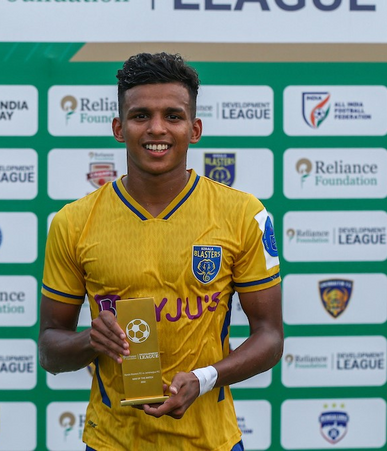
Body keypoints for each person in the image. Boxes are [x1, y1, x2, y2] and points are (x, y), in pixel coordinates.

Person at [39, 52, 283, 451]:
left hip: (212, 442)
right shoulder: (74, 222)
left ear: (195, 128)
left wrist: (204, 378)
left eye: (173, 116)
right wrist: (91, 341)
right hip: (112, 442)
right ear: (119, 128)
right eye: (140, 116)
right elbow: (50, 350)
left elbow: (270, 337)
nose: (157, 128)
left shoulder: (242, 214)